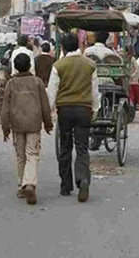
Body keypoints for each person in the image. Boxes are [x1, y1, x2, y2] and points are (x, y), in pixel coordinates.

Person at [46, 33, 100, 202]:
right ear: (78, 45)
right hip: (84, 110)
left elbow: (52, 91)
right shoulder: (90, 65)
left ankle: (65, 185)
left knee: (65, 147)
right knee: (82, 148)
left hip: (65, 110)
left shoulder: (58, 66)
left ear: (62, 47)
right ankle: (83, 179)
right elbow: (94, 91)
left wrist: (48, 112)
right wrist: (95, 109)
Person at [1, 53, 53, 205]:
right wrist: (48, 124)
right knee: (32, 154)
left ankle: (21, 185)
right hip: (33, 125)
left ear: (15, 68)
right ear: (30, 66)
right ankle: (29, 183)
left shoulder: (11, 84)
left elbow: (5, 109)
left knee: (20, 156)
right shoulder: (37, 82)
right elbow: (45, 106)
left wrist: (5, 128)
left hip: (17, 125)